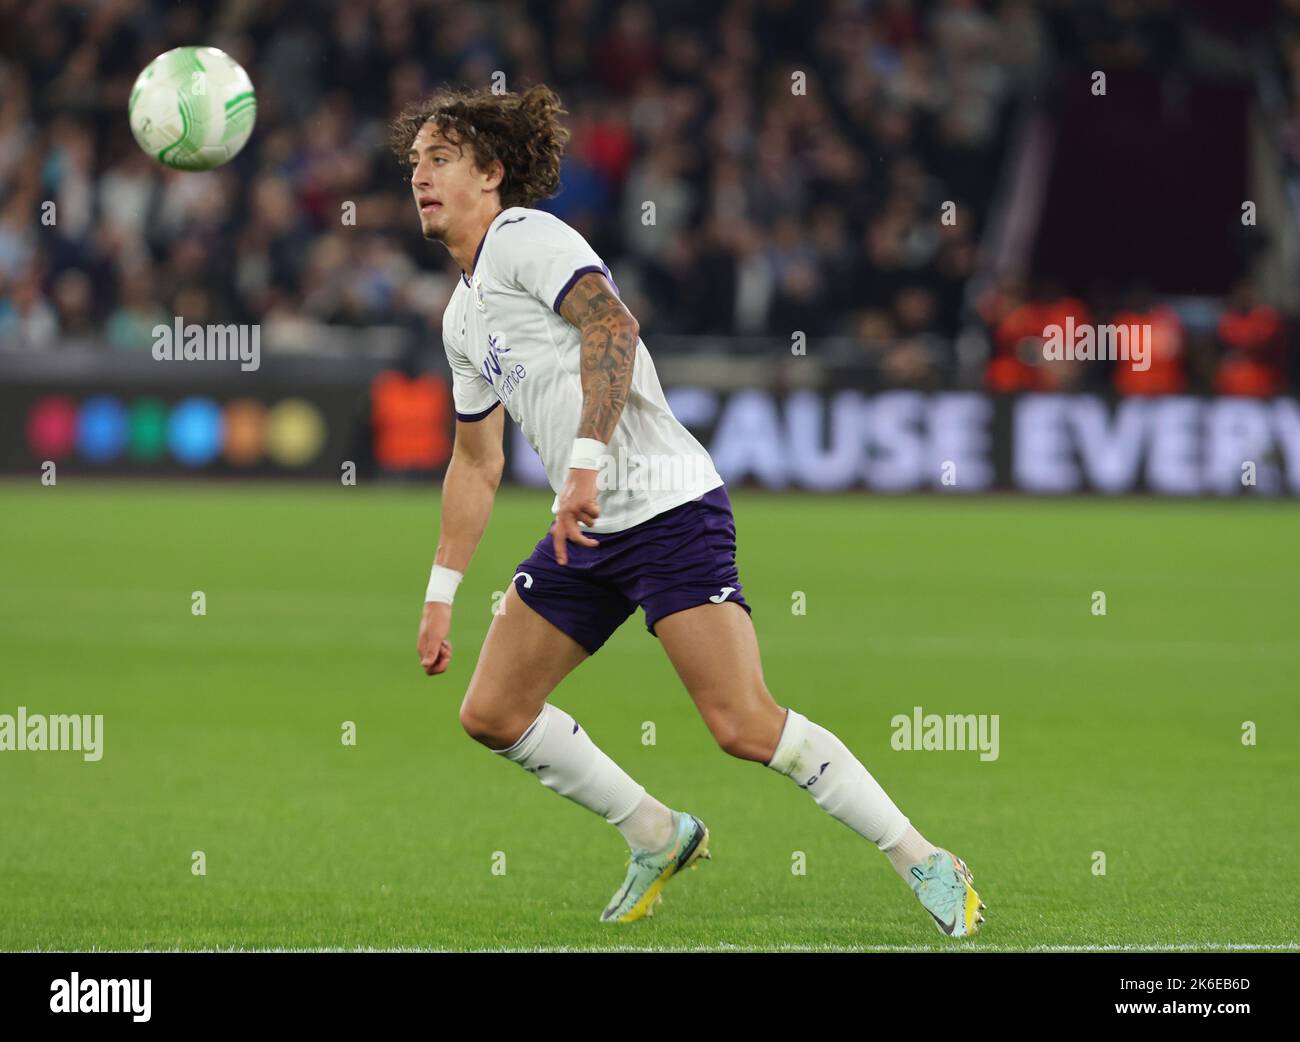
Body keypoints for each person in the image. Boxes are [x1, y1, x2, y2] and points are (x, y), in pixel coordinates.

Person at [392, 84, 984, 934]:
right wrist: (440, 593)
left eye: (441, 159)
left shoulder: (527, 237)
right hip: (586, 527)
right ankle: (657, 833)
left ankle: (924, 859)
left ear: (491, 173)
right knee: (492, 713)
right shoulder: (460, 315)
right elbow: (476, 462)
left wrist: (586, 464)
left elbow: (613, 330)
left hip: (668, 508)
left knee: (743, 725)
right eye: (415, 163)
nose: (421, 177)